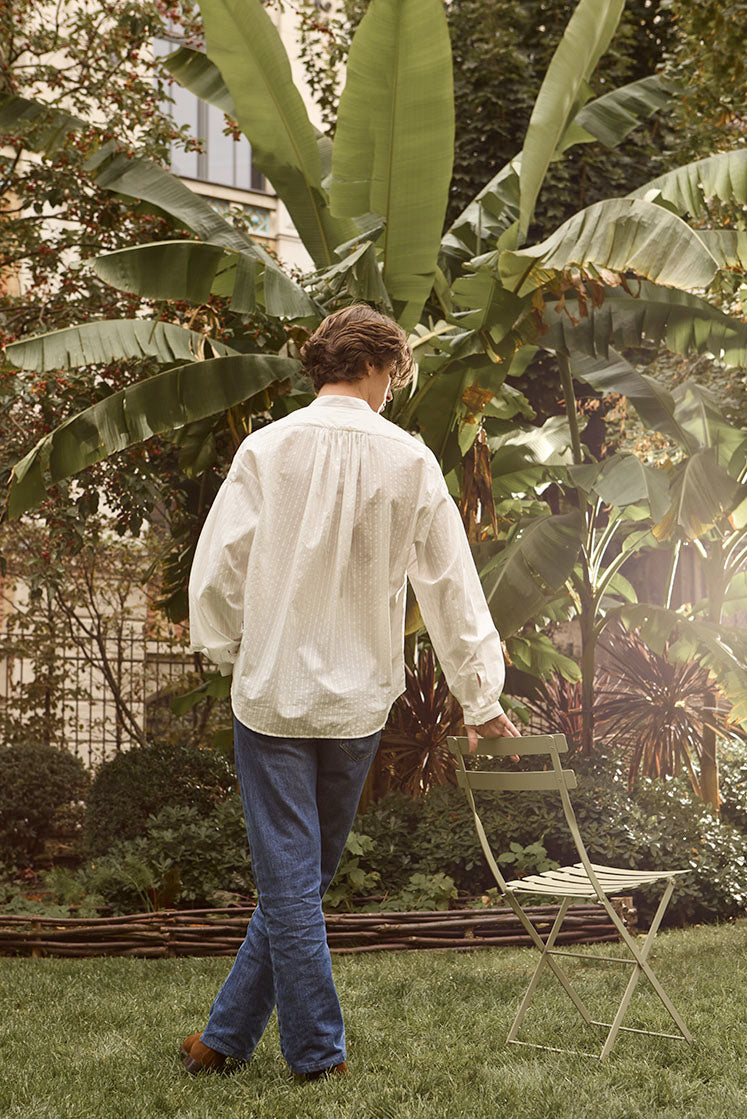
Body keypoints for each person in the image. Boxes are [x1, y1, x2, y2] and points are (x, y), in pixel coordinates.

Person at [184, 304, 520, 1081]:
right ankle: (295, 1050)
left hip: (270, 695)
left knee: (292, 883)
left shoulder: (266, 449)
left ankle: (236, 1040)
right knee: (298, 882)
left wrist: (233, 650)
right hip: (356, 703)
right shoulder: (408, 461)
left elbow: (220, 569)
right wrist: (481, 695)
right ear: (383, 365)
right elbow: (450, 586)